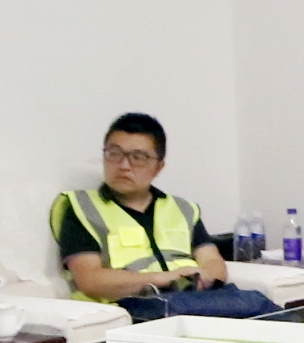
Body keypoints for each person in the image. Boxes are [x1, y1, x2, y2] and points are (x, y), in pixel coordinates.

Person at [52, 114, 277, 321]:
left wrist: (204, 277)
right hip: (137, 303)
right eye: (114, 153)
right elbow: (90, 280)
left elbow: (212, 261)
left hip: (193, 297)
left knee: (258, 306)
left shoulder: (183, 209)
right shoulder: (81, 208)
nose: (123, 165)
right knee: (253, 305)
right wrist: (166, 278)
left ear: (158, 167)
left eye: (138, 157)